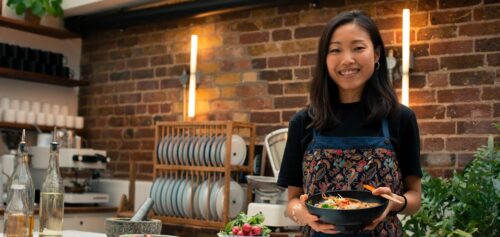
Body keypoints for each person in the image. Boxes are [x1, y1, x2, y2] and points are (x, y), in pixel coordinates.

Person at [277, 10, 422, 237]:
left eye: (358, 48)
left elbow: (415, 197)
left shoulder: (401, 118)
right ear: (325, 59)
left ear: (376, 54)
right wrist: (301, 212)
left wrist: (395, 203)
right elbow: (292, 200)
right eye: (336, 50)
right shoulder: (303, 122)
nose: (347, 59)